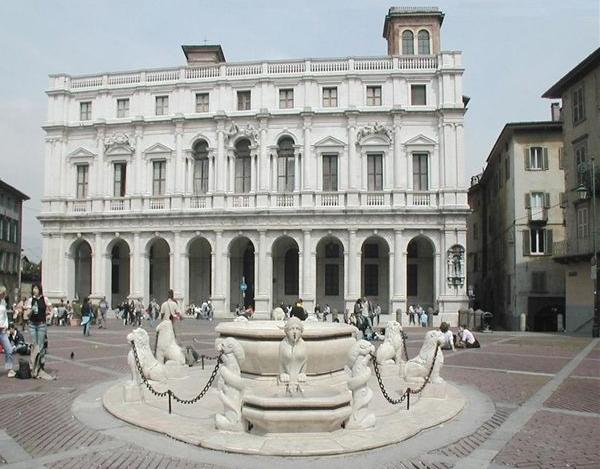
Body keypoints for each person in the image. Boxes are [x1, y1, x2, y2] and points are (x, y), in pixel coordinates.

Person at [26, 284, 51, 369]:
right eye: (33, 288)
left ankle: (41, 363)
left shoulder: (45, 299)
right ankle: (33, 365)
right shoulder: (30, 300)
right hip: (32, 324)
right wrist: (31, 310)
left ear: (39, 289)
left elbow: (50, 309)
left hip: (41, 324)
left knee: (40, 345)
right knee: (34, 345)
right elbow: (27, 314)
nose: (34, 290)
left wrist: (48, 316)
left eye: (36, 288)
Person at [0, 286, 16, 377]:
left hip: (2, 330)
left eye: (4, 293)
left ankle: (9, 369)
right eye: (2, 293)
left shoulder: (3, 302)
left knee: (9, 349)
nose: (3, 295)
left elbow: (5, 315)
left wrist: (6, 326)